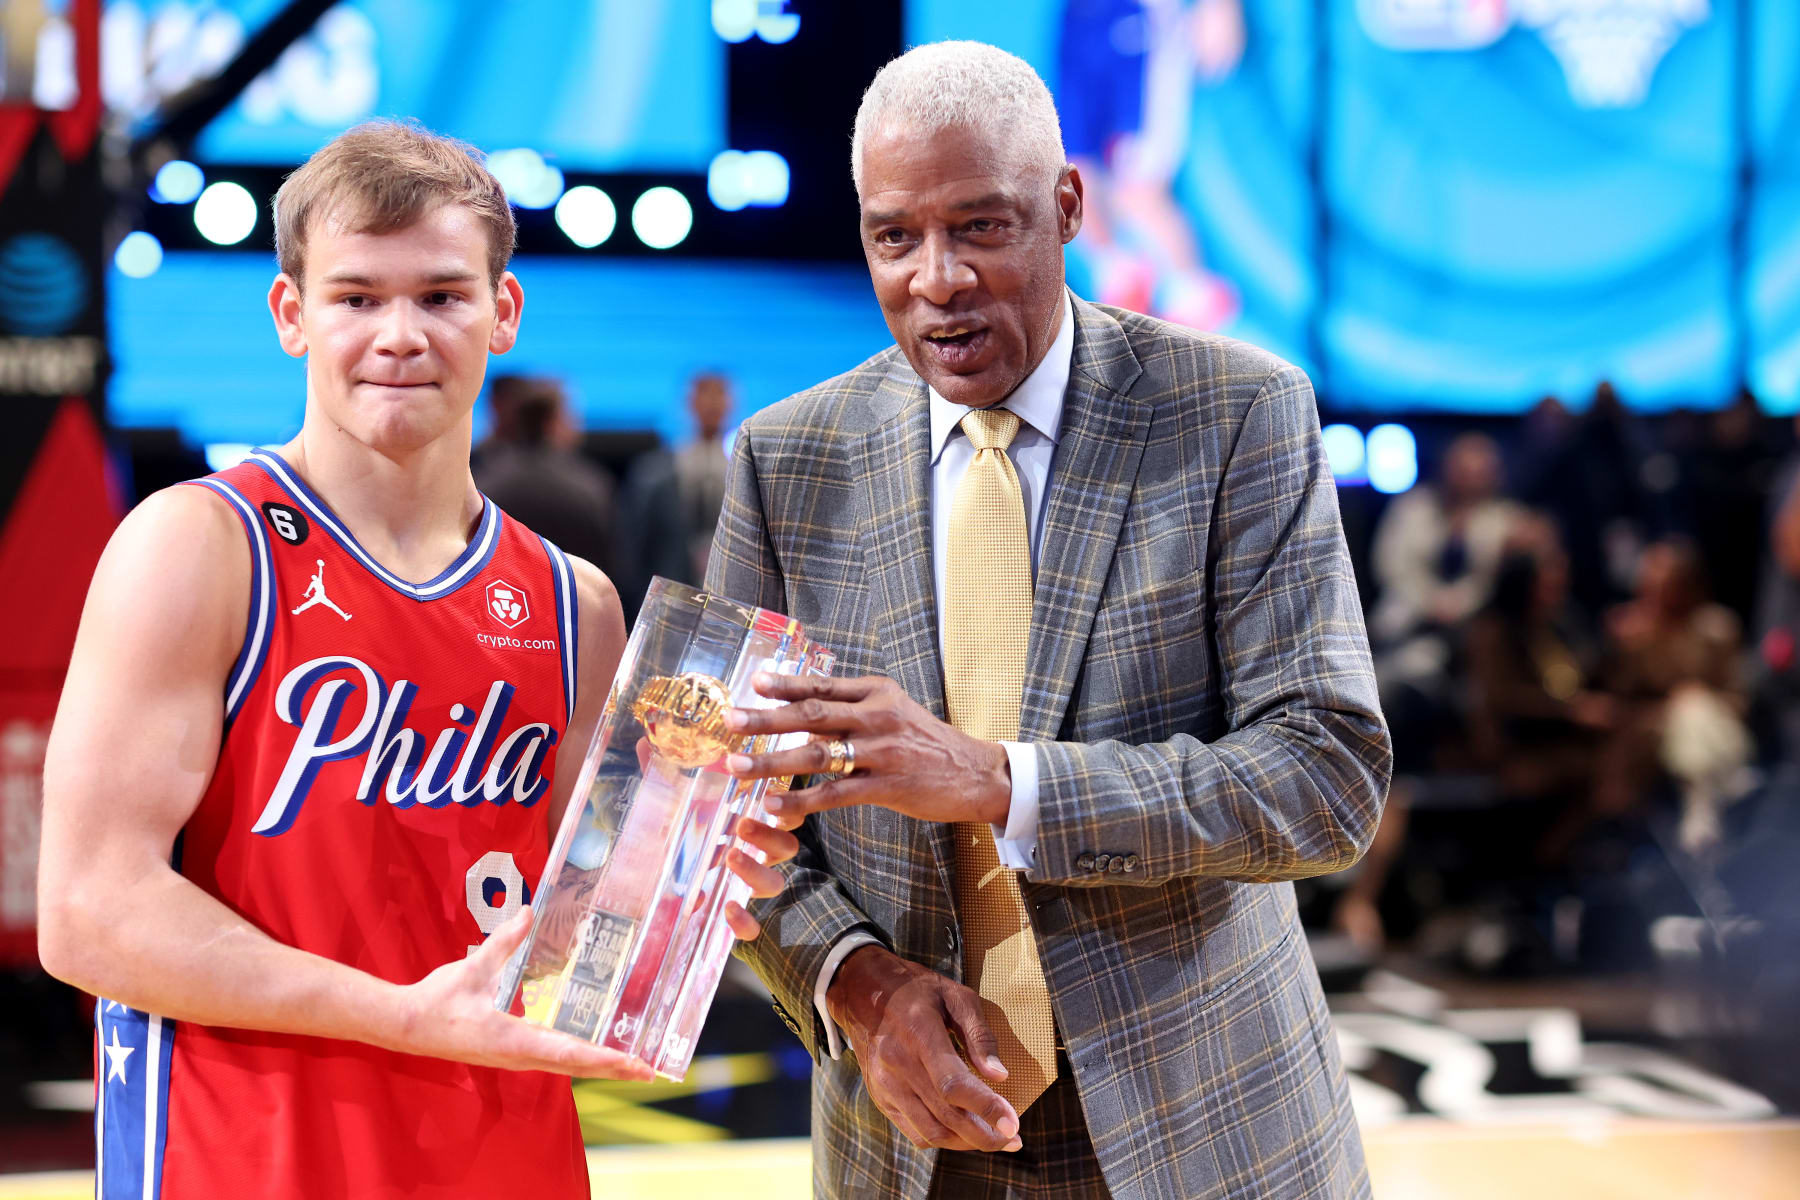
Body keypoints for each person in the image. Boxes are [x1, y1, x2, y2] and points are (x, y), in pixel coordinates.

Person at [35, 121, 794, 1199]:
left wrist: (706, 872)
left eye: (441, 295)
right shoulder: (200, 546)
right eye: (356, 298)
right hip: (246, 1162)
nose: (399, 335)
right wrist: (403, 1016)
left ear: (503, 311)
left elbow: (587, 929)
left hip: (506, 1158)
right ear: (291, 315)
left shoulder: (574, 605)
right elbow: (87, 913)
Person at [707, 42, 1389, 1199]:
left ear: (1068, 206)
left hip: (1205, 1134)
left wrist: (999, 782)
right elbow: (723, 814)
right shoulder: (788, 460)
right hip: (910, 1138)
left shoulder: (1236, 414)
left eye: (980, 226)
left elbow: (1326, 779)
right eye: (894, 237)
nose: (938, 279)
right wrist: (856, 985)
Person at [473, 374, 621, 581]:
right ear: (552, 421)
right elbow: (614, 566)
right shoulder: (591, 486)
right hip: (576, 595)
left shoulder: (483, 485)